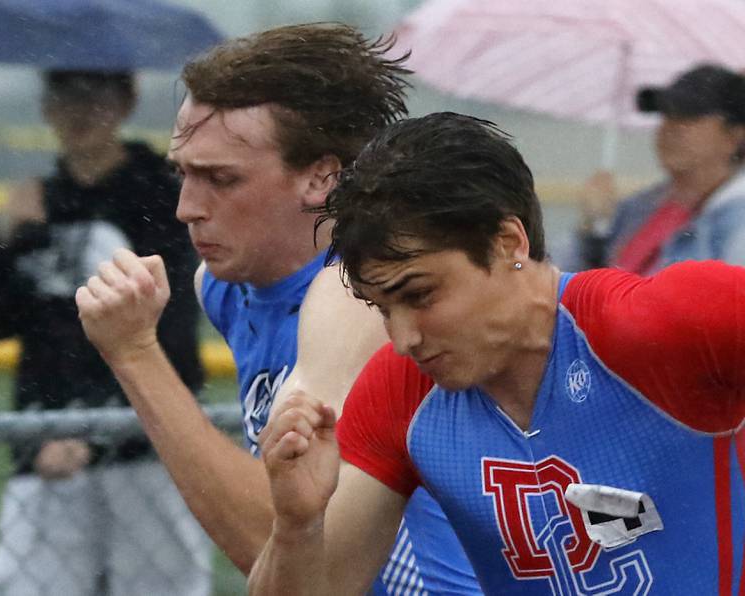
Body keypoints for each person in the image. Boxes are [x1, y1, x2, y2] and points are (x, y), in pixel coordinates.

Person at [250, 111, 745, 595]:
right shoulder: (402, 390)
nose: (403, 340)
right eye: (382, 308)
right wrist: (297, 526)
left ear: (509, 242)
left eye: (420, 295)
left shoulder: (669, 322)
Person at [76, 23, 480, 595]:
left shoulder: (359, 297)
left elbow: (288, 548)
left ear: (321, 177)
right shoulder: (224, 284)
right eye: (183, 173)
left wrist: (136, 354)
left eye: (221, 179)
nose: (186, 208)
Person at [0, 70, 211, 596]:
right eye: (65, 97)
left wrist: (93, 434)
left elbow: (175, 333)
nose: (80, 111)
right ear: (47, 107)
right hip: (44, 446)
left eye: (95, 96)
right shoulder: (39, 204)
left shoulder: (161, 198)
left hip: (146, 447)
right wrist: (7, 237)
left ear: (125, 102)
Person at [573, 63, 745, 273]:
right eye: (666, 114)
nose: (669, 128)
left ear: (735, 135)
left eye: (688, 117)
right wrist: (595, 228)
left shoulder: (736, 222)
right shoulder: (639, 207)